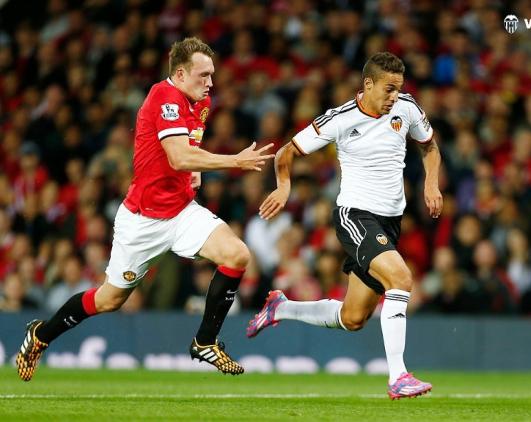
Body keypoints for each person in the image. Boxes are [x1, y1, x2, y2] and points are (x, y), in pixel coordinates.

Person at [16, 37, 274, 381]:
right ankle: (41, 335)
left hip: (182, 211)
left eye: (212, 75)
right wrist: (234, 161)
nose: (210, 83)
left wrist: (194, 169)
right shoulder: (163, 97)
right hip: (142, 220)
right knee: (109, 300)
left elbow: (189, 145)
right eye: (203, 75)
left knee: (237, 255)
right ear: (180, 74)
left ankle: (205, 341)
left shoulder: (201, 100)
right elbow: (179, 155)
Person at [247, 52, 442, 399]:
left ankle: (281, 307)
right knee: (401, 279)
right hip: (355, 216)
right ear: (368, 84)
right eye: (388, 89)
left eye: (398, 89)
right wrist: (284, 186)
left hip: (390, 221)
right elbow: (286, 152)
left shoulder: (407, 108)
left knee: (353, 318)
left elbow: (429, 147)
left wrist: (431, 184)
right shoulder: (340, 118)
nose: (394, 97)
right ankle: (398, 376)